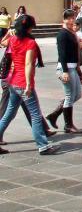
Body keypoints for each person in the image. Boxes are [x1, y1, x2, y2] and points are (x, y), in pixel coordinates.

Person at [0, 15, 59, 155]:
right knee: (35, 115)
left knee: (9, 113)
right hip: (22, 82)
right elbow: (28, 64)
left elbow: (5, 45)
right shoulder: (30, 42)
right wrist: (28, 84)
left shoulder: (13, 39)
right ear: (30, 28)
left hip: (13, 81)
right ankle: (43, 146)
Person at [45, 10, 82, 135]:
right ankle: (68, 125)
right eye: (70, 18)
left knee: (77, 95)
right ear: (64, 20)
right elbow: (61, 54)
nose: (72, 20)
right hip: (65, 68)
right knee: (69, 96)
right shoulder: (62, 34)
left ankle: (54, 114)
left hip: (72, 67)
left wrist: (78, 69)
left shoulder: (71, 33)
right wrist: (65, 71)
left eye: (73, 18)